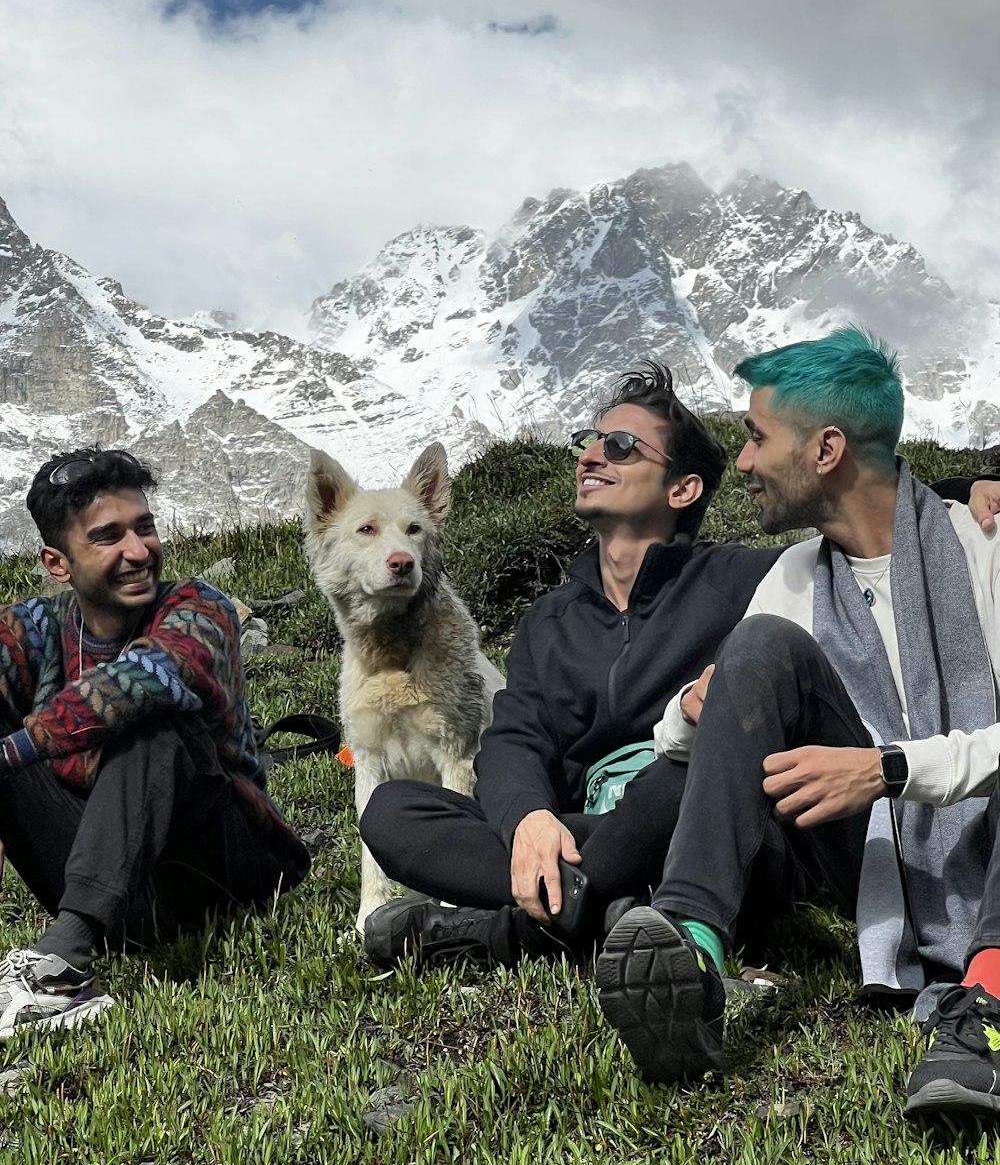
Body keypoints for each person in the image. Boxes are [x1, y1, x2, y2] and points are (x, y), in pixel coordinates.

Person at [359, 361, 990, 972]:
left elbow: (868, 519)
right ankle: (608, 902)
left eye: (622, 446)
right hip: (581, 831)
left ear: (682, 488)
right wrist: (528, 819)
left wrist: (967, 491)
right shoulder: (547, 620)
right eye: (590, 440)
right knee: (390, 811)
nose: (591, 455)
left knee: (675, 779)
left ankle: (519, 929)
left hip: (703, 816)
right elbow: (515, 739)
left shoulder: (746, 577)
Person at [595, 329, 1000, 1121]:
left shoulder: (984, 547)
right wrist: (693, 709)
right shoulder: (792, 579)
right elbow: (681, 745)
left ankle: (984, 1004)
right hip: (872, 851)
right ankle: (693, 951)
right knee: (759, 646)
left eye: (755, 437)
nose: (740, 462)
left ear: (826, 449)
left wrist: (885, 769)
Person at [0, 448, 310, 1036]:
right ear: (57, 563)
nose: (139, 552)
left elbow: (150, 679)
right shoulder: (34, 630)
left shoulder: (200, 607)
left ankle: (62, 967)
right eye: (108, 537)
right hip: (118, 894)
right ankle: (75, 936)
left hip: (218, 875)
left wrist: (16, 750)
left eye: (144, 527)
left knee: (152, 712)